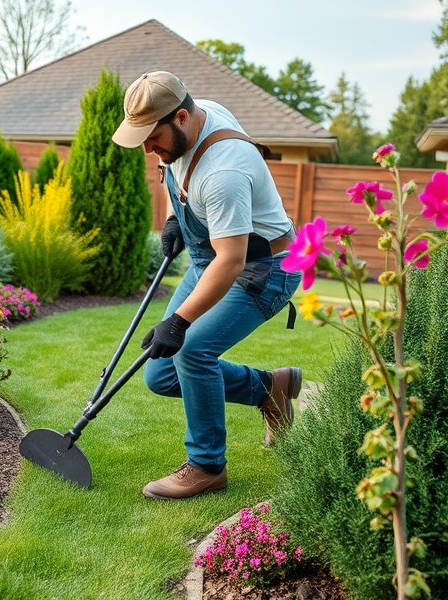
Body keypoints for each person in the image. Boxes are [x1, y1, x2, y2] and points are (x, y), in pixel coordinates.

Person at [111, 71, 303, 500]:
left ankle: (207, 466)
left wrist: (179, 322)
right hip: (211, 258)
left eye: (152, 137)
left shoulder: (225, 171)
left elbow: (232, 261)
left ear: (181, 117)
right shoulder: (192, 119)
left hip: (261, 268)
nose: (147, 149)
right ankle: (269, 387)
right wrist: (176, 218)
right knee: (159, 373)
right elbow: (173, 166)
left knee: (193, 349)